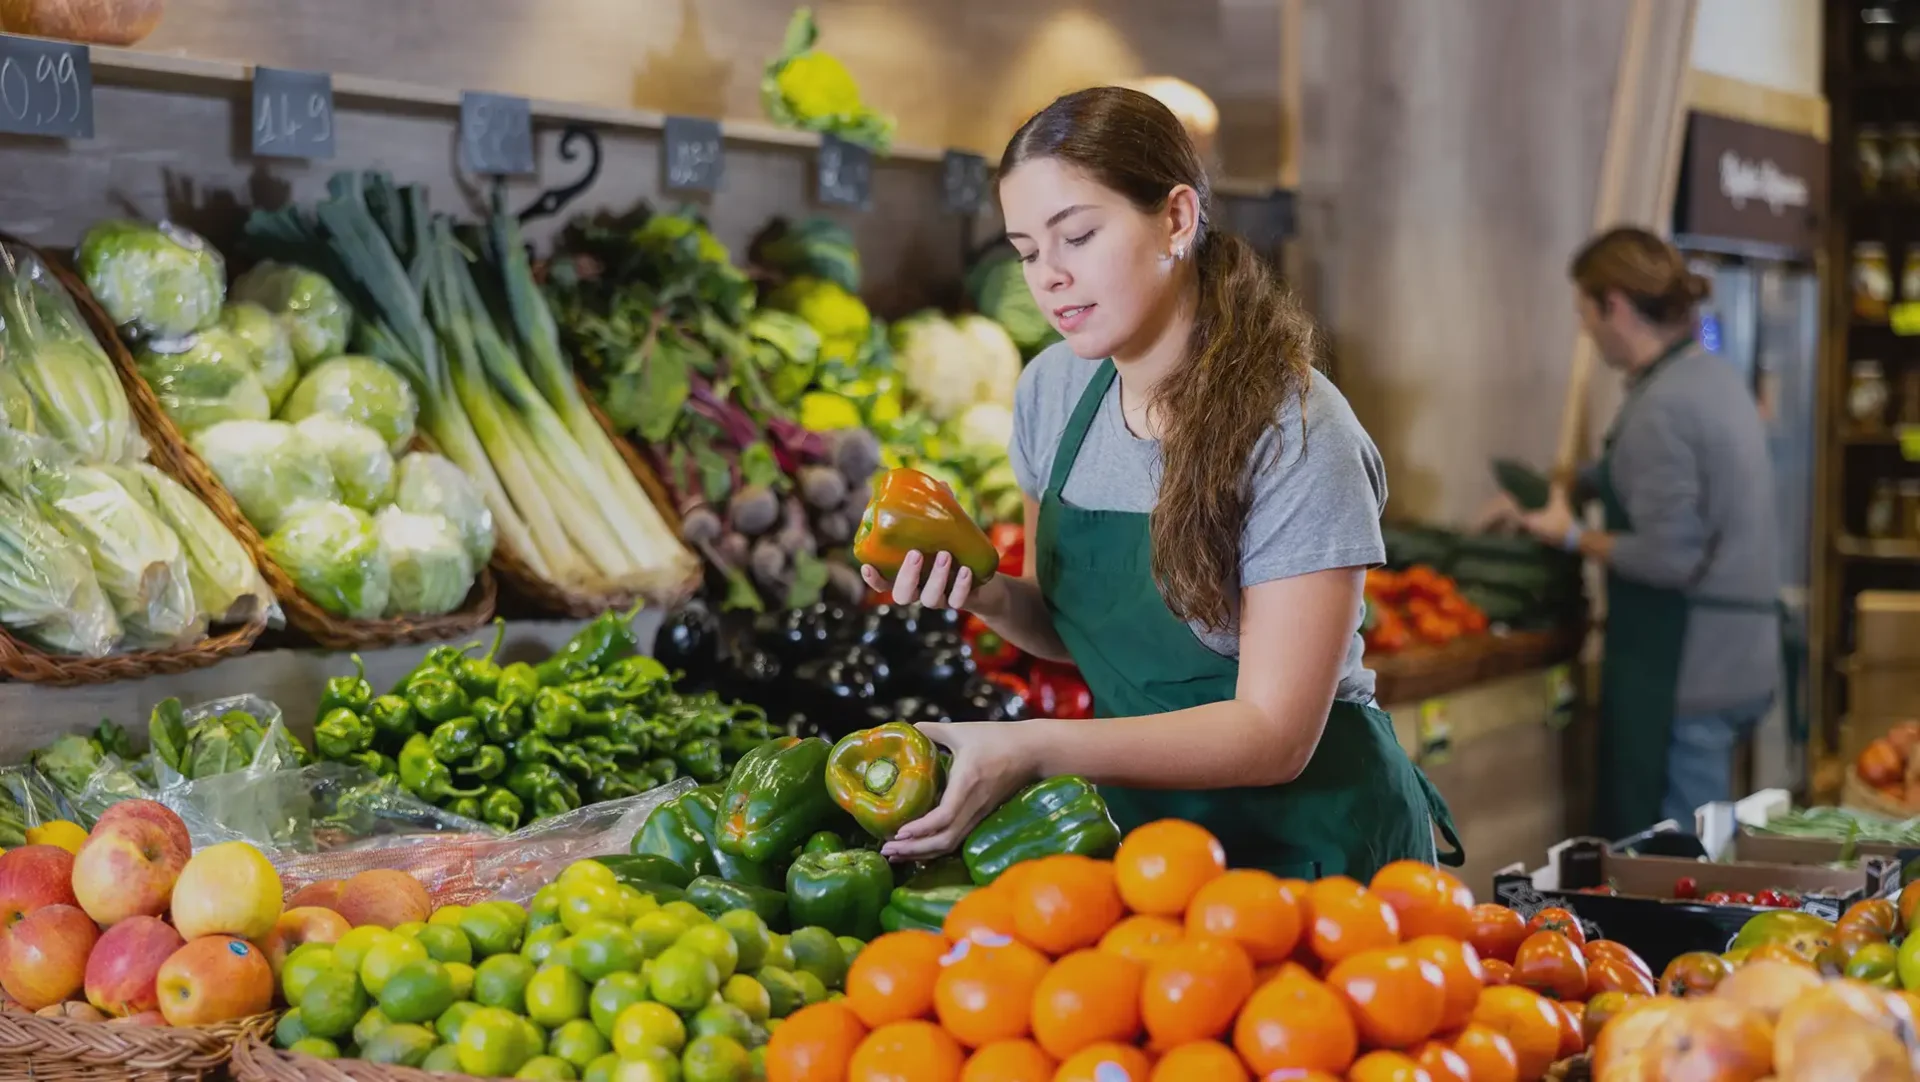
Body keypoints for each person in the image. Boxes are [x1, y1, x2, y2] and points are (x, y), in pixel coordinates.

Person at [861, 86, 1460, 879]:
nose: (1051, 277)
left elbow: (1274, 736)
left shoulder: (1298, 434)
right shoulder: (1054, 392)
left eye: (1077, 236)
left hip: (1317, 845)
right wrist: (982, 593)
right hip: (1153, 840)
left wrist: (1033, 747)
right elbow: (1065, 628)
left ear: (1176, 219)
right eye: (1027, 251)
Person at [1512, 226, 1780, 838]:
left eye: (1585, 310)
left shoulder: (1662, 407)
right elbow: (1668, 478)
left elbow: (1669, 556)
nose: (1585, 328)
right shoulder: (1709, 376)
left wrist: (1571, 535)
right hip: (1744, 658)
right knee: (1708, 844)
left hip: (1688, 670)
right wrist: (1577, 479)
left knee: (1677, 865)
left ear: (1617, 306)